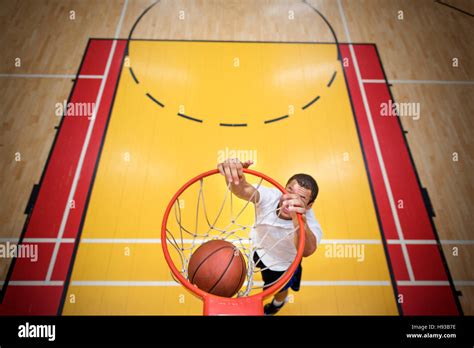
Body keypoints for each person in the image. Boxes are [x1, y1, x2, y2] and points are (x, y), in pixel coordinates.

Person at [218, 158, 322, 315]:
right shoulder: (270, 196)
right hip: (259, 248)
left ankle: (279, 303)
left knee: (277, 289)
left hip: (281, 265)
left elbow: (307, 250)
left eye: (300, 198)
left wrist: (297, 220)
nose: (290, 200)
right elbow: (242, 189)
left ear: (309, 206)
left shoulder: (311, 226)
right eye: (289, 191)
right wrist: (234, 178)